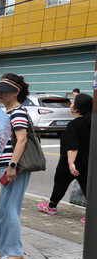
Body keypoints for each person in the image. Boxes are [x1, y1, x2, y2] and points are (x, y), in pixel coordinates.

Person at [0, 73, 31, 259]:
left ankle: (15, 252)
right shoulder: (7, 113)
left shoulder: (19, 112)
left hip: (14, 166)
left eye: (5, 91)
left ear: (16, 92)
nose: (0, 94)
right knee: (4, 207)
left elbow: (22, 139)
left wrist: (12, 165)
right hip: (6, 165)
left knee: (11, 208)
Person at [38, 93, 92, 223]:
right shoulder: (91, 123)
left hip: (70, 162)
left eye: (73, 103)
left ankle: (52, 206)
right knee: (87, 186)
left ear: (77, 109)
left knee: (61, 183)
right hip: (86, 160)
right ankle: (52, 206)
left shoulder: (74, 125)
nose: (71, 105)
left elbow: (73, 146)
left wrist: (71, 163)